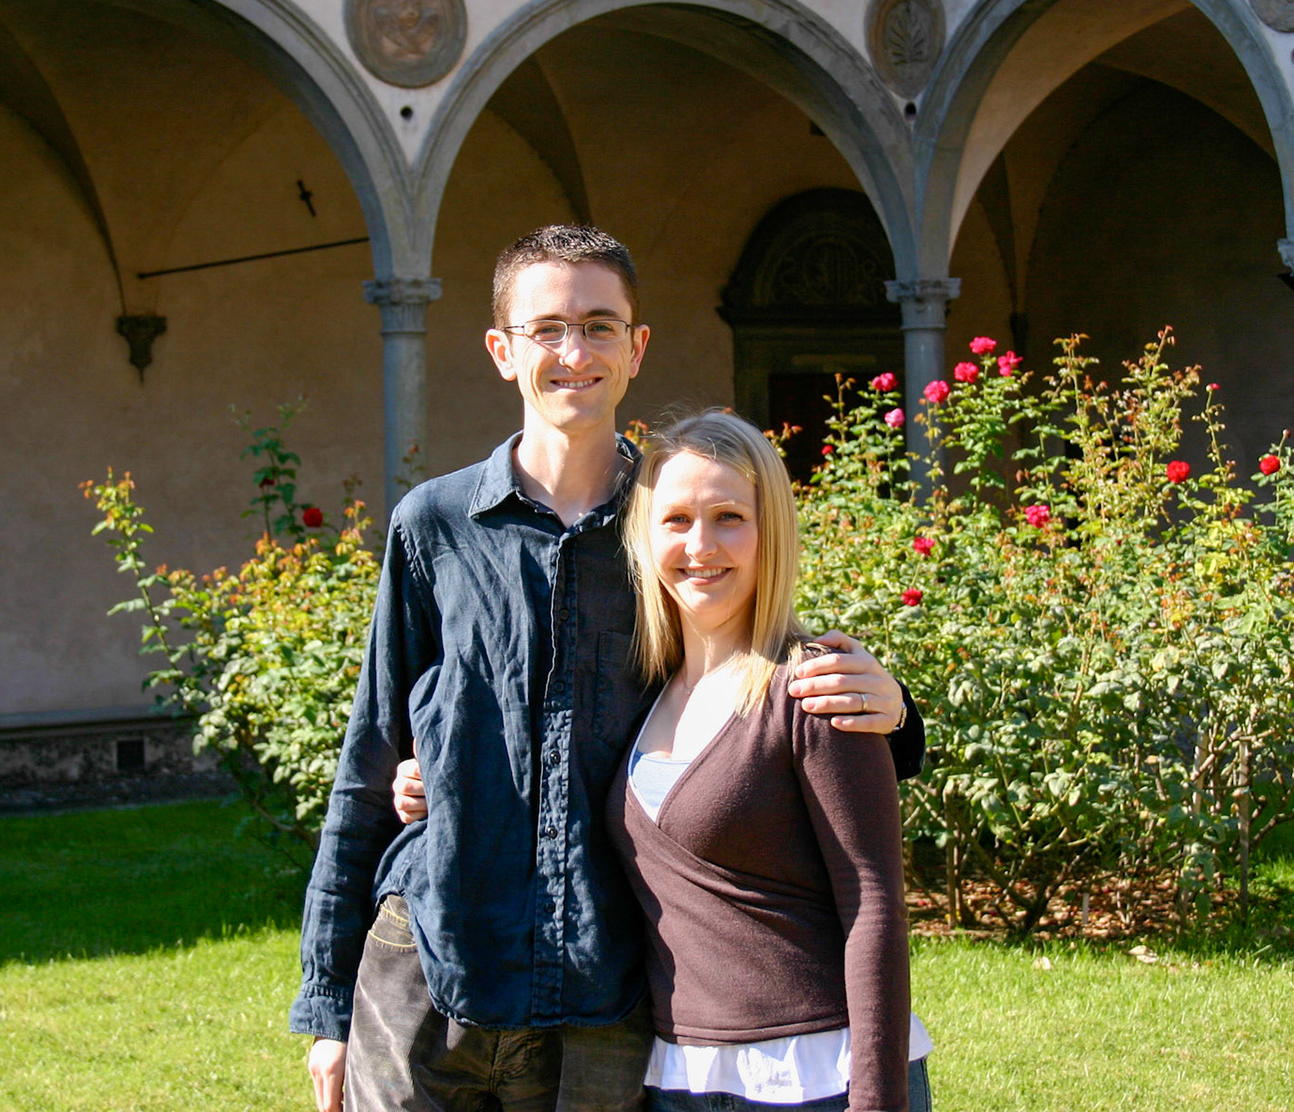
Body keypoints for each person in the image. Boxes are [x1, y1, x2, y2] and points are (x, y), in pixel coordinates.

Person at [290, 225, 921, 1112]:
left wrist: (897, 711)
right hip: (429, 960)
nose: (572, 352)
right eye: (545, 329)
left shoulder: (672, 526)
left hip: (604, 982)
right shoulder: (432, 528)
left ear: (637, 347)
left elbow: (761, 671)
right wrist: (325, 1001)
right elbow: (367, 765)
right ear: (501, 351)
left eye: (598, 325)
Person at [607, 410, 929, 1112]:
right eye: (677, 520)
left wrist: (876, 1100)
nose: (701, 546)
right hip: (678, 1076)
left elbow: (873, 905)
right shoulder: (643, 693)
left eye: (729, 517)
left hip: (817, 1075)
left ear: (770, 532)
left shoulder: (814, 686)